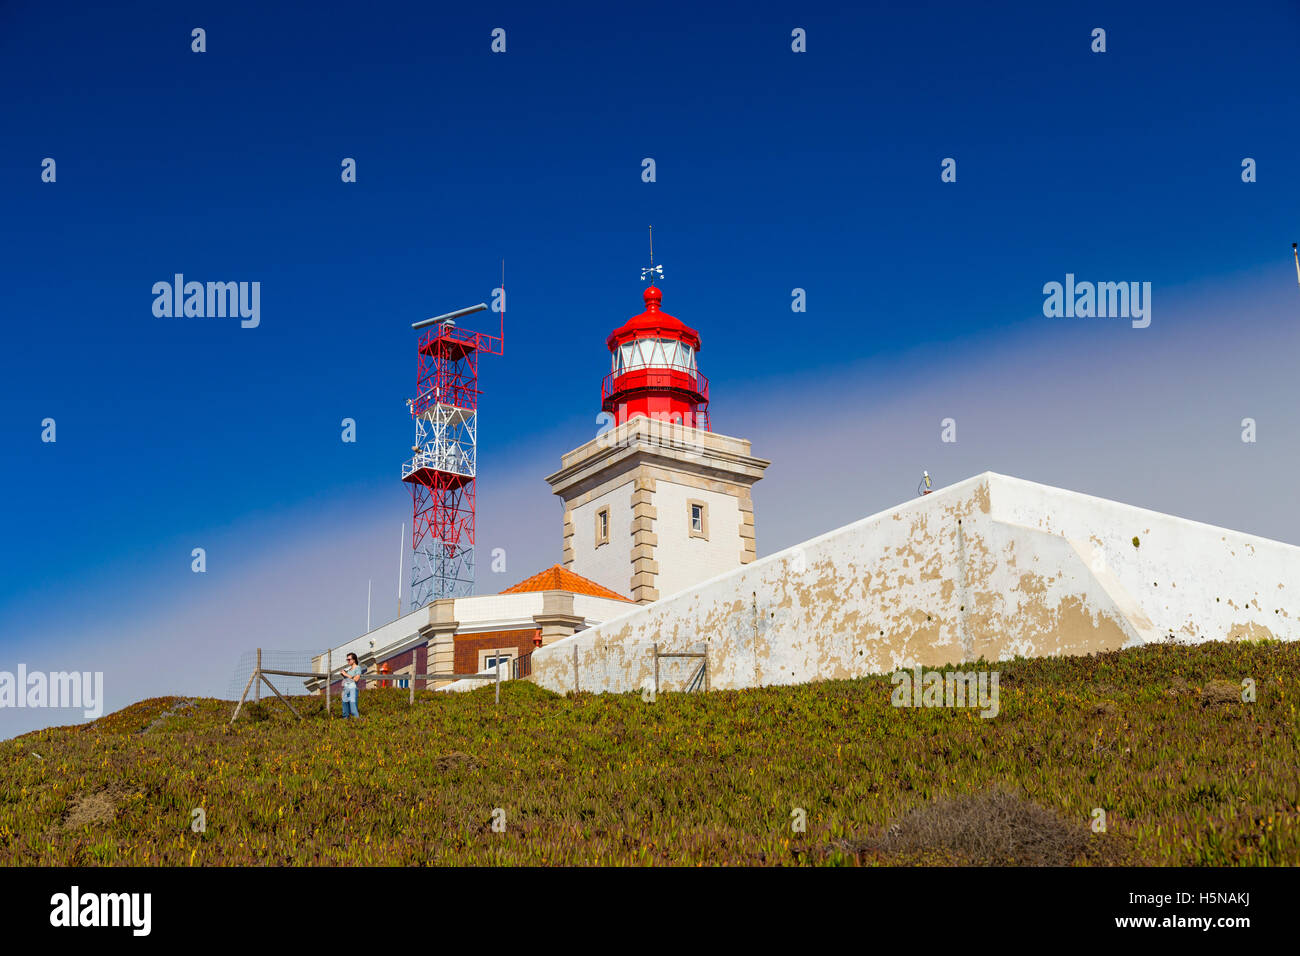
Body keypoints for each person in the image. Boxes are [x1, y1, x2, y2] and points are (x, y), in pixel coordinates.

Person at [340, 653, 362, 718]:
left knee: (353, 710)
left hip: (352, 690)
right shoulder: (349, 670)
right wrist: (343, 674)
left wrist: (346, 674)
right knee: (345, 711)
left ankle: (357, 724)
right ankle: (346, 725)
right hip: (345, 690)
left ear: (354, 660)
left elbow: (356, 679)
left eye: (349, 659)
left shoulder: (357, 668)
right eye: (347, 659)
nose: (348, 661)